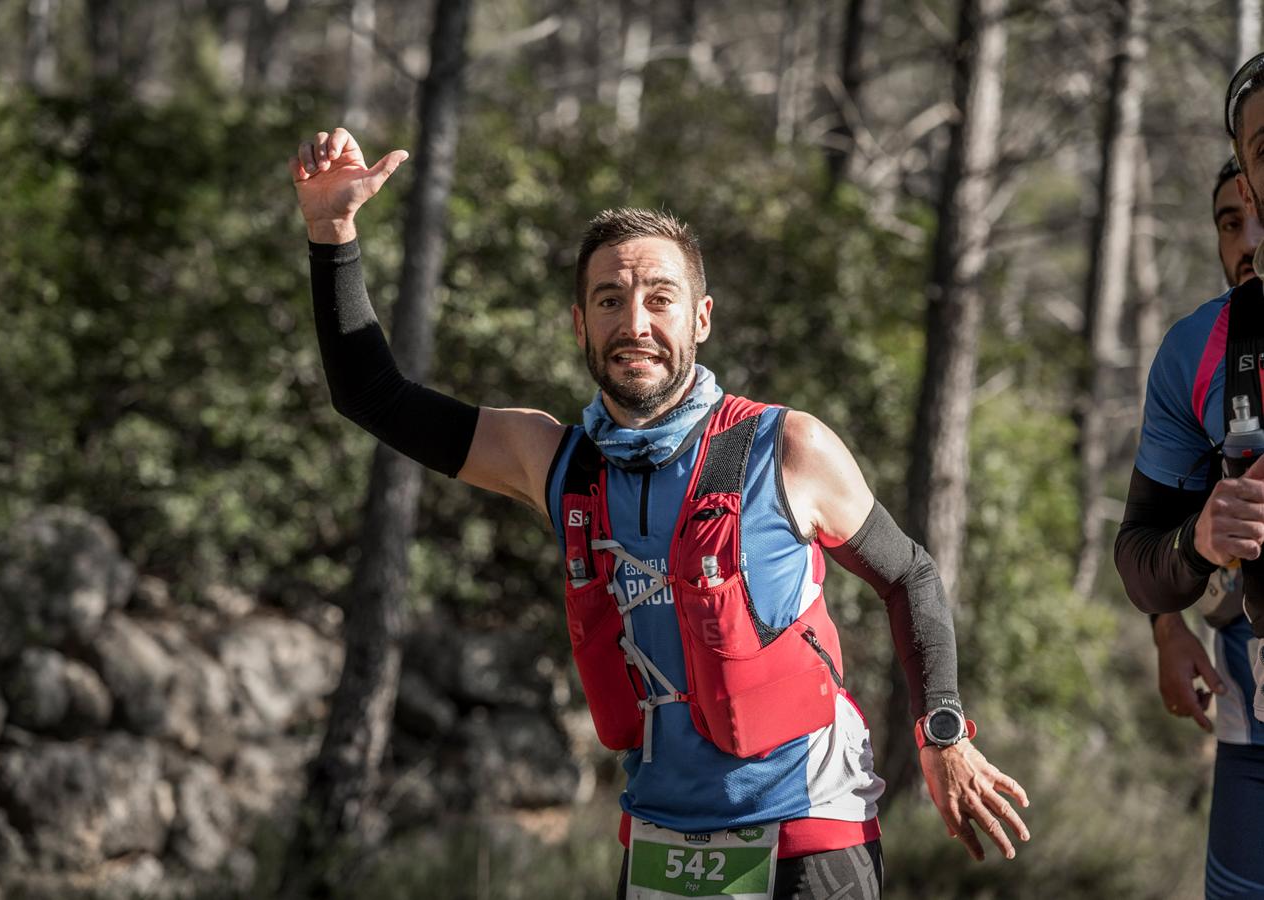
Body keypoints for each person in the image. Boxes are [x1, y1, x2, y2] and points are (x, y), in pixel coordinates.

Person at [290, 126, 1029, 900]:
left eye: (659, 299)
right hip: (660, 843)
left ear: (700, 319)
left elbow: (908, 572)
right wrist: (330, 231)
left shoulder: (788, 447)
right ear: (581, 324)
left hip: (807, 832)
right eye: (609, 301)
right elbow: (372, 396)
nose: (634, 323)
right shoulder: (554, 460)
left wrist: (942, 732)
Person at [1114, 53, 1264, 900]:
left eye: (1255, 216)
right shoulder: (1198, 351)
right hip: (1251, 723)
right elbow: (1142, 551)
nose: (1246, 243)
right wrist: (1175, 610)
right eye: (1227, 223)